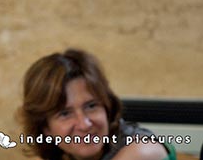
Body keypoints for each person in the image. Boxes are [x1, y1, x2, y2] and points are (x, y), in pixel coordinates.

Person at [17, 48, 175, 160]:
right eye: (65, 113)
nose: (84, 124)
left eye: (91, 106)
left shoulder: (141, 151)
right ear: (46, 129)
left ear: (107, 107)